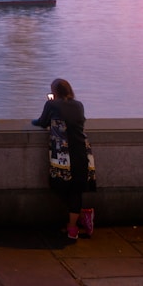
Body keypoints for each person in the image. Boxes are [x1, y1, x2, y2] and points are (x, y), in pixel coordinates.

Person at [32, 78, 96, 240]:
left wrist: (47, 107)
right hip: (82, 150)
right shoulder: (79, 104)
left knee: (62, 186)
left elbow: (42, 122)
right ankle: (82, 217)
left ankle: (72, 228)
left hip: (63, 153)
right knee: (75, 189)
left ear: (55, 92)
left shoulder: (51, 104)